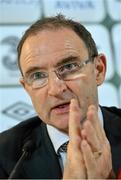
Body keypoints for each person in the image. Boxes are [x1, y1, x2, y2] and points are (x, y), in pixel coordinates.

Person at [0, 15, 121, 179]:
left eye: (69, 66)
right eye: (37, 76)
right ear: (27, 88)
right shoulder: (5, 156)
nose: (56, 89)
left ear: (98, 70)